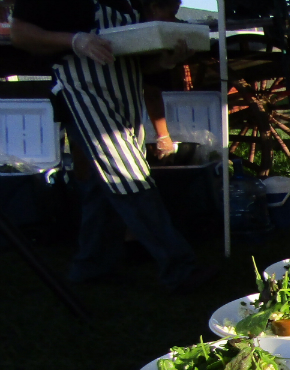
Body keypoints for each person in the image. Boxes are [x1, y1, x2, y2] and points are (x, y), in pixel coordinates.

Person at [11, 0, 211, 292]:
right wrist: (75, 40)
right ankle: (179, 268)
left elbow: (138, 58)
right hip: (82, 95)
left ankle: (91, 267)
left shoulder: (130, 1)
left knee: (100, 186)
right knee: (130, 179)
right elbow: (20, 33)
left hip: (125, 97)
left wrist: (166, 61)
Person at [138, 0, 183, 161]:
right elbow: (151, 90)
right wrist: (163, 137)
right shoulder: (138, 28)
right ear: (154, 8)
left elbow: (147, 74)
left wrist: (168, 62)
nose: (174, 21)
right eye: (172, 13)